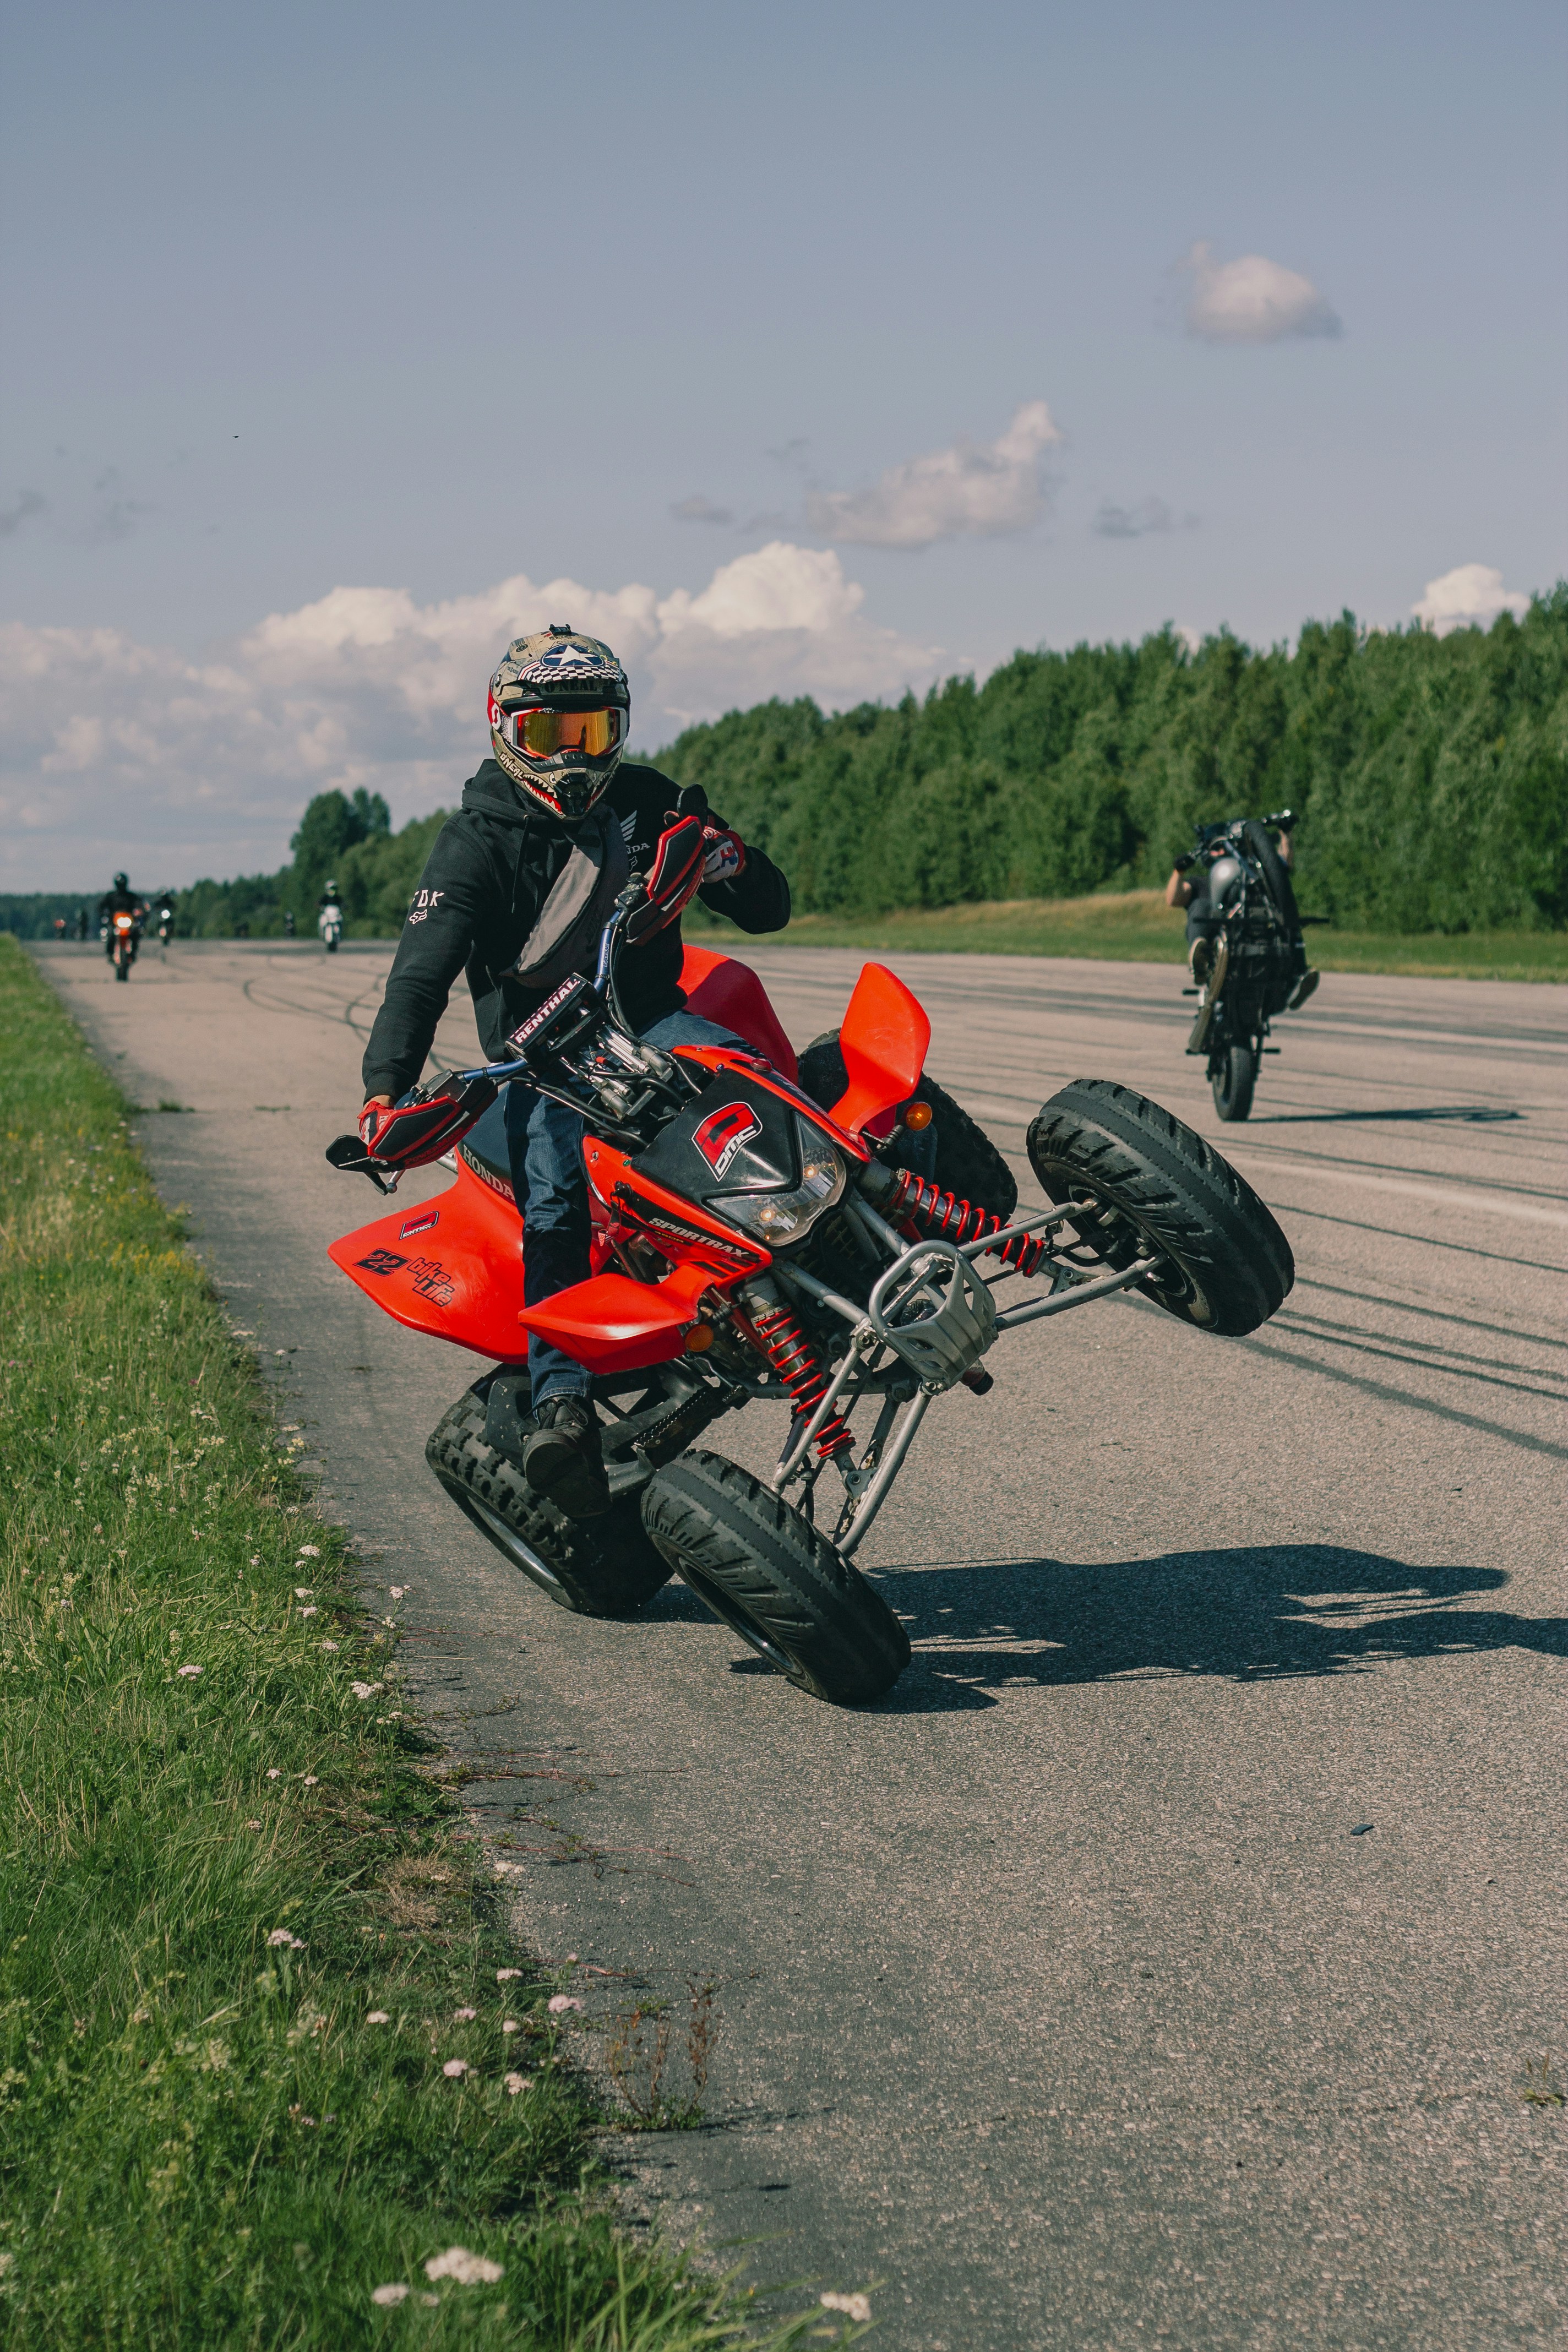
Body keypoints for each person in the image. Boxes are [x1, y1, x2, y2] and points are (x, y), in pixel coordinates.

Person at [356, 625, 791, 1518]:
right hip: (544, 1056)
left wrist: (730, 859)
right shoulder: (470, 844)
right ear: (503, 727)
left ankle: (856, 1220)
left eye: (589, 732)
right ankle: (560, 1400)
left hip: (653, 1016)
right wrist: (383, 1090)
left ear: (617, 730)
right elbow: (417, 977)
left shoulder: (639, 797)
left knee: (756, 1077)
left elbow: (767, 907)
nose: (571, 755)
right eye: (548, 732)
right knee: (554, 1193)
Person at [96, 873, 145, 961]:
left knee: (135, 933)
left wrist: (139, 910)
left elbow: (139, 904)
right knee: (110, 934)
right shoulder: (111, 896)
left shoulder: (131, 896)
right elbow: (101, 906)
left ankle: (133, 952)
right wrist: (104, 913)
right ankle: (110, 953)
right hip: (115, 923)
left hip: (129, 922)